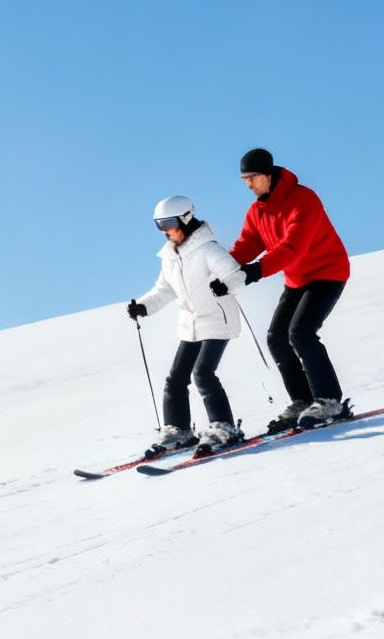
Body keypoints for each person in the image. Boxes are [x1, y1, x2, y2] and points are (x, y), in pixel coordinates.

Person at [220, 147, 353, 431]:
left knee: (301, 332)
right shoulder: (257, 210)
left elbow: (293, 248)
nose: (248, 184)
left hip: (328, 273)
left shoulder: (303, 199)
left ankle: (330, 400)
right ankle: (303, 401)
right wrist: (224, 269)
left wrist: (256, 271)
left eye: (252, 177)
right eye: (244, 179)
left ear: (268, 174)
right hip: (297, 279)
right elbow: (248, 243)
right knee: (276, 337)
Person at [126, 195, 249, 459]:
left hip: (217, 321)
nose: (165, 231)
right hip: (190, 325)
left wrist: (224, 285)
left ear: (185, 218)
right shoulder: (170, 257)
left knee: (203, 374)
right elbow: (164, 290)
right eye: (159, 225)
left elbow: (235, 275)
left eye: (168, 223)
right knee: (175, 378)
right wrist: (143, 307)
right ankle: (179, 430)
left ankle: (224, 428)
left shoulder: (208, 249)